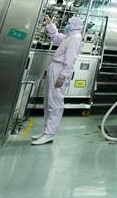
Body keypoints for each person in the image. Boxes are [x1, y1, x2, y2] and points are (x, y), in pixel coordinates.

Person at [31, 15, 84, 145]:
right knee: (48, 101)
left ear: (74, 25)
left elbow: (71, 59)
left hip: (60, 70)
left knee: (55, 103)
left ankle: (50, 134)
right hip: (54, 67)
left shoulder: (75, 39)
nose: (67, 25)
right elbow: (56, 37)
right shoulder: (69, 36)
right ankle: (46, 131)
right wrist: (50, 24)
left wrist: (62, 76)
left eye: (69, 23)